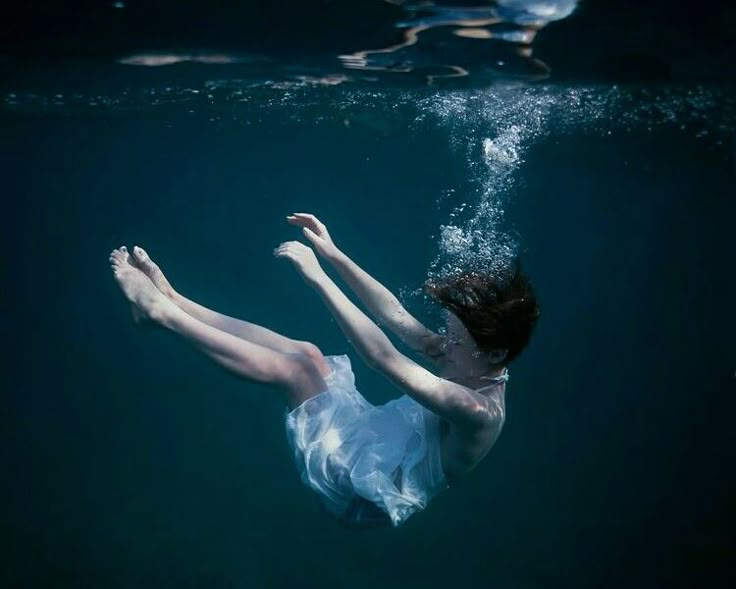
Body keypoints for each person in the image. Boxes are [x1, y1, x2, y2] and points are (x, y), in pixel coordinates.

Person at [109, 212, 539, 527]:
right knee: (309, 354)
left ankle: (159, 314)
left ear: (495, 353)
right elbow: (395, 315)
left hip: (360, 491)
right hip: (372, 437)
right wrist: (333, 254)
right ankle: (177, 299)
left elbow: (384, 358)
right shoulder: (472, 358)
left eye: (457, 337)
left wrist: (318, 279)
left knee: (295, 373)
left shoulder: (479, 413)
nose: (445, 341)